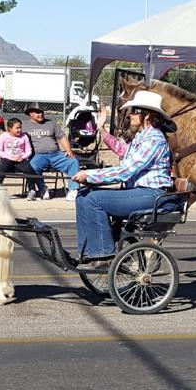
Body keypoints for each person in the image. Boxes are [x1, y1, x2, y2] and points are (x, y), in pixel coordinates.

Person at [71, 91, 174, 269]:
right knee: (83, 196)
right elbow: (122, 150)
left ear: (147, 115)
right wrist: (102, 129)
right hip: (137, 192)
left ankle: (104, 254)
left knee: (95, 200)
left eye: (134, 112)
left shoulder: (155, 139)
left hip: (151, 194)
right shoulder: (141, 138)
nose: (130, 116)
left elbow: (126, 171)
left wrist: (90, 175)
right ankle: (87, 252)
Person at [21, 103, 81, 201]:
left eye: (41, 112)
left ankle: (73, 190)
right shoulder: (24, 125)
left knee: (73, 162)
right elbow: (11, 134)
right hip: (38, 155)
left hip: (56, 154)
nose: (40, 114)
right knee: (32, 166)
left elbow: (62, 137)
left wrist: (68, 150)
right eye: (37, 112)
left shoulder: (51, 123)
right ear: (30, 113)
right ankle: (43, 189)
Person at [0, 117, 45, 201]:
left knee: (30, 170)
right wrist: (10, 157)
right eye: (17, 128)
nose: (19, 130)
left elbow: (29, 151)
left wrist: (22, 157)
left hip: (20, 159)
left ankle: (32, 190)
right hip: (7, 158)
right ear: (10, 128)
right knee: (2, 169)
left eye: (20, 128)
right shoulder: (3, 136)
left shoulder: (24, 136)